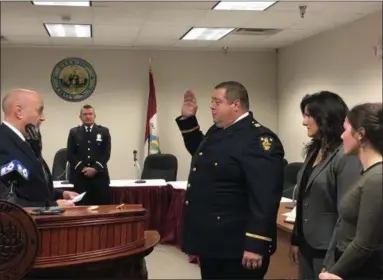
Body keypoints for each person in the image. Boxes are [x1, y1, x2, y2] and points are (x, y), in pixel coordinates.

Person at [175, 81, 285, 279]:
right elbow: (204, 155)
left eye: (217, 101)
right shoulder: (219, 130)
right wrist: (188, 119)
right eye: (211, 101)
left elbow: (265, 197)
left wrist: (256, 244)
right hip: (214, 241)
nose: (211, 106)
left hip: (238, 245)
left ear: (236, 104)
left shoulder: (257, 139)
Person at [289, 91, 362, 280]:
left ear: (325, 117)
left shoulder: (345, 156)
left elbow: (347, 214)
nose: (304, 122)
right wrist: (296, 239)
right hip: (307, 244)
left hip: (329, 248)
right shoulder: (315, 149)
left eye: (308, 116)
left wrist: (332, 261)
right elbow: (304, 198)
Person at [320, 102, 383, 280]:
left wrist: (334, 272)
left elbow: (364, 244)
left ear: (361, 134)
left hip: (363, 270)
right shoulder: (368, 173)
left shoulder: (377, 178)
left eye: (346, 129)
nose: (341, 135)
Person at [0, 89, 77, 207]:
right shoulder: (3, 142)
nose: (43, 118)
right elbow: (6, 202)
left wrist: (60, 194)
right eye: (39, 111)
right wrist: (52, 207)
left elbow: (29, 187)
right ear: (19, 112)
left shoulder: (27, 142)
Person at [66, 104, 111, 205]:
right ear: (80, 117)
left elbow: (106, 153)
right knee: (81, 209)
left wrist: (95, 169)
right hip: (80, 178)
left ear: (95, 116)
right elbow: (70, 154)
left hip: (100, 177)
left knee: (102, 209)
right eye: (85, 114)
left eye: (90, 114)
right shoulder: (74, 132)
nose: (88, 116)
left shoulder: (103, 131)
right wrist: (83, 168)